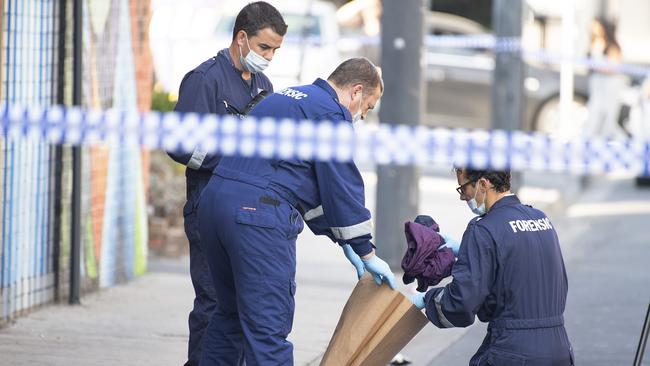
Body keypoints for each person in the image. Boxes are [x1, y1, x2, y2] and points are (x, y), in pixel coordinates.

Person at [197, 57, 396, 365]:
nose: (363, 116)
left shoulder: (288, 97)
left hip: (215, 204)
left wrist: (344, 240)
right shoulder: (331, 114)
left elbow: (304, 188)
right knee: (268, 330)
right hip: (256, 217)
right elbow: (341, 185)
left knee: (230, 316)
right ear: (356, 91)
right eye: (368, 107)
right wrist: (365, 251)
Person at [167, 3, 287, 365]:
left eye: (275, 51)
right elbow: (179, 144)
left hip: (248, 216)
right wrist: (232, 159)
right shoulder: (205, 80)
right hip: (208, 207)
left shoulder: (264, 84)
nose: (269, 57)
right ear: (241, 38)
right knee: (214, 301)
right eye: (264, 48)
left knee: (243, 304)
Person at [410, 168, 574, 365]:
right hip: (559, 348)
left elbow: (461, 302)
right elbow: (519, 266)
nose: (463, 198)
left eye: (463, 189)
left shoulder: (483, 229)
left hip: (513, 351)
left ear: (483, 184)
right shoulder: (540, 218)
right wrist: (467, 252)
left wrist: (426, 300)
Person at [585, 16, 627, 138]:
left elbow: (615, 67)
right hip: (597, 86)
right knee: (594, 117)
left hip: (610, 86)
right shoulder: (594, 44)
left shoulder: (611, 46)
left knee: (608, 120)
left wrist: (598, 67)